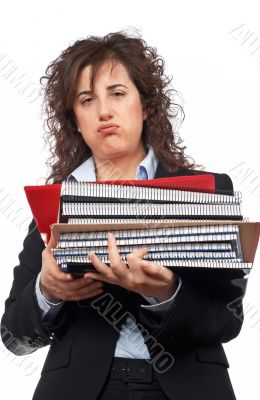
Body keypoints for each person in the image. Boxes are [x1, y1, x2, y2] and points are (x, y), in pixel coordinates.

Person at [1, 29, 246, 400]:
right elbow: (13, 337)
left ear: (145, 106)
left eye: (117, 93)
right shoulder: (55, 205)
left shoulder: (205, 193)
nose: (104, 111)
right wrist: (47, 292)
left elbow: (229, 318)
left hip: (187, 387)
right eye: (86, 100)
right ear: (75, 120)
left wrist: (165, 292)